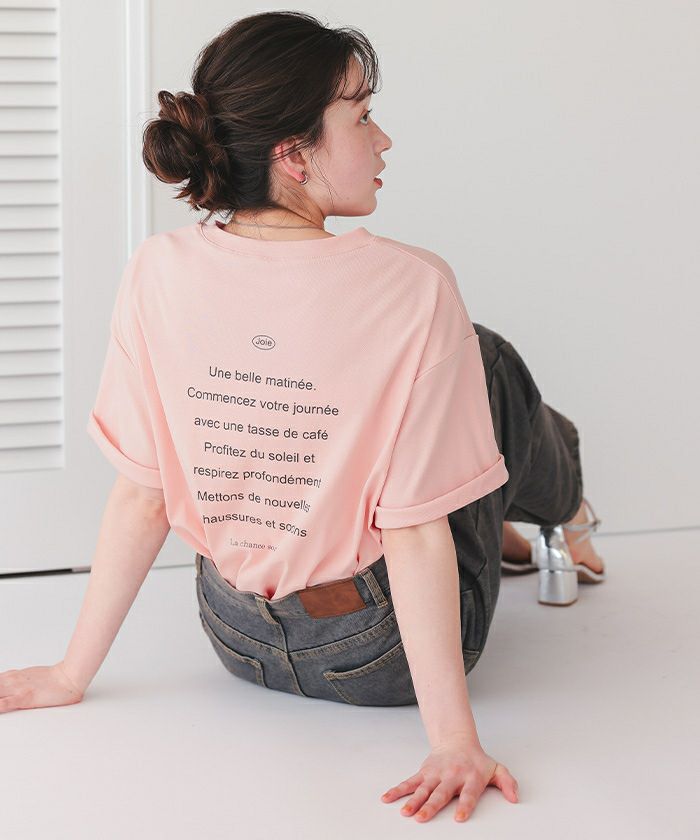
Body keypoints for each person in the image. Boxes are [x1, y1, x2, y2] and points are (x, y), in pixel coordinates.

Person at [0, 10, 606, 825]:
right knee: (484, 355)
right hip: (381, 657)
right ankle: (566, 514)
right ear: (293, 153)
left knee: (435, 385)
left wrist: (71, 672)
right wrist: (453, 742)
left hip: (234, 637)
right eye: (361, 116)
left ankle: (507, 521)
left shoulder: (155, 270)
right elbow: (413, 533)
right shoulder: (413, 287)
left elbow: (143, 495)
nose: (383, 139)